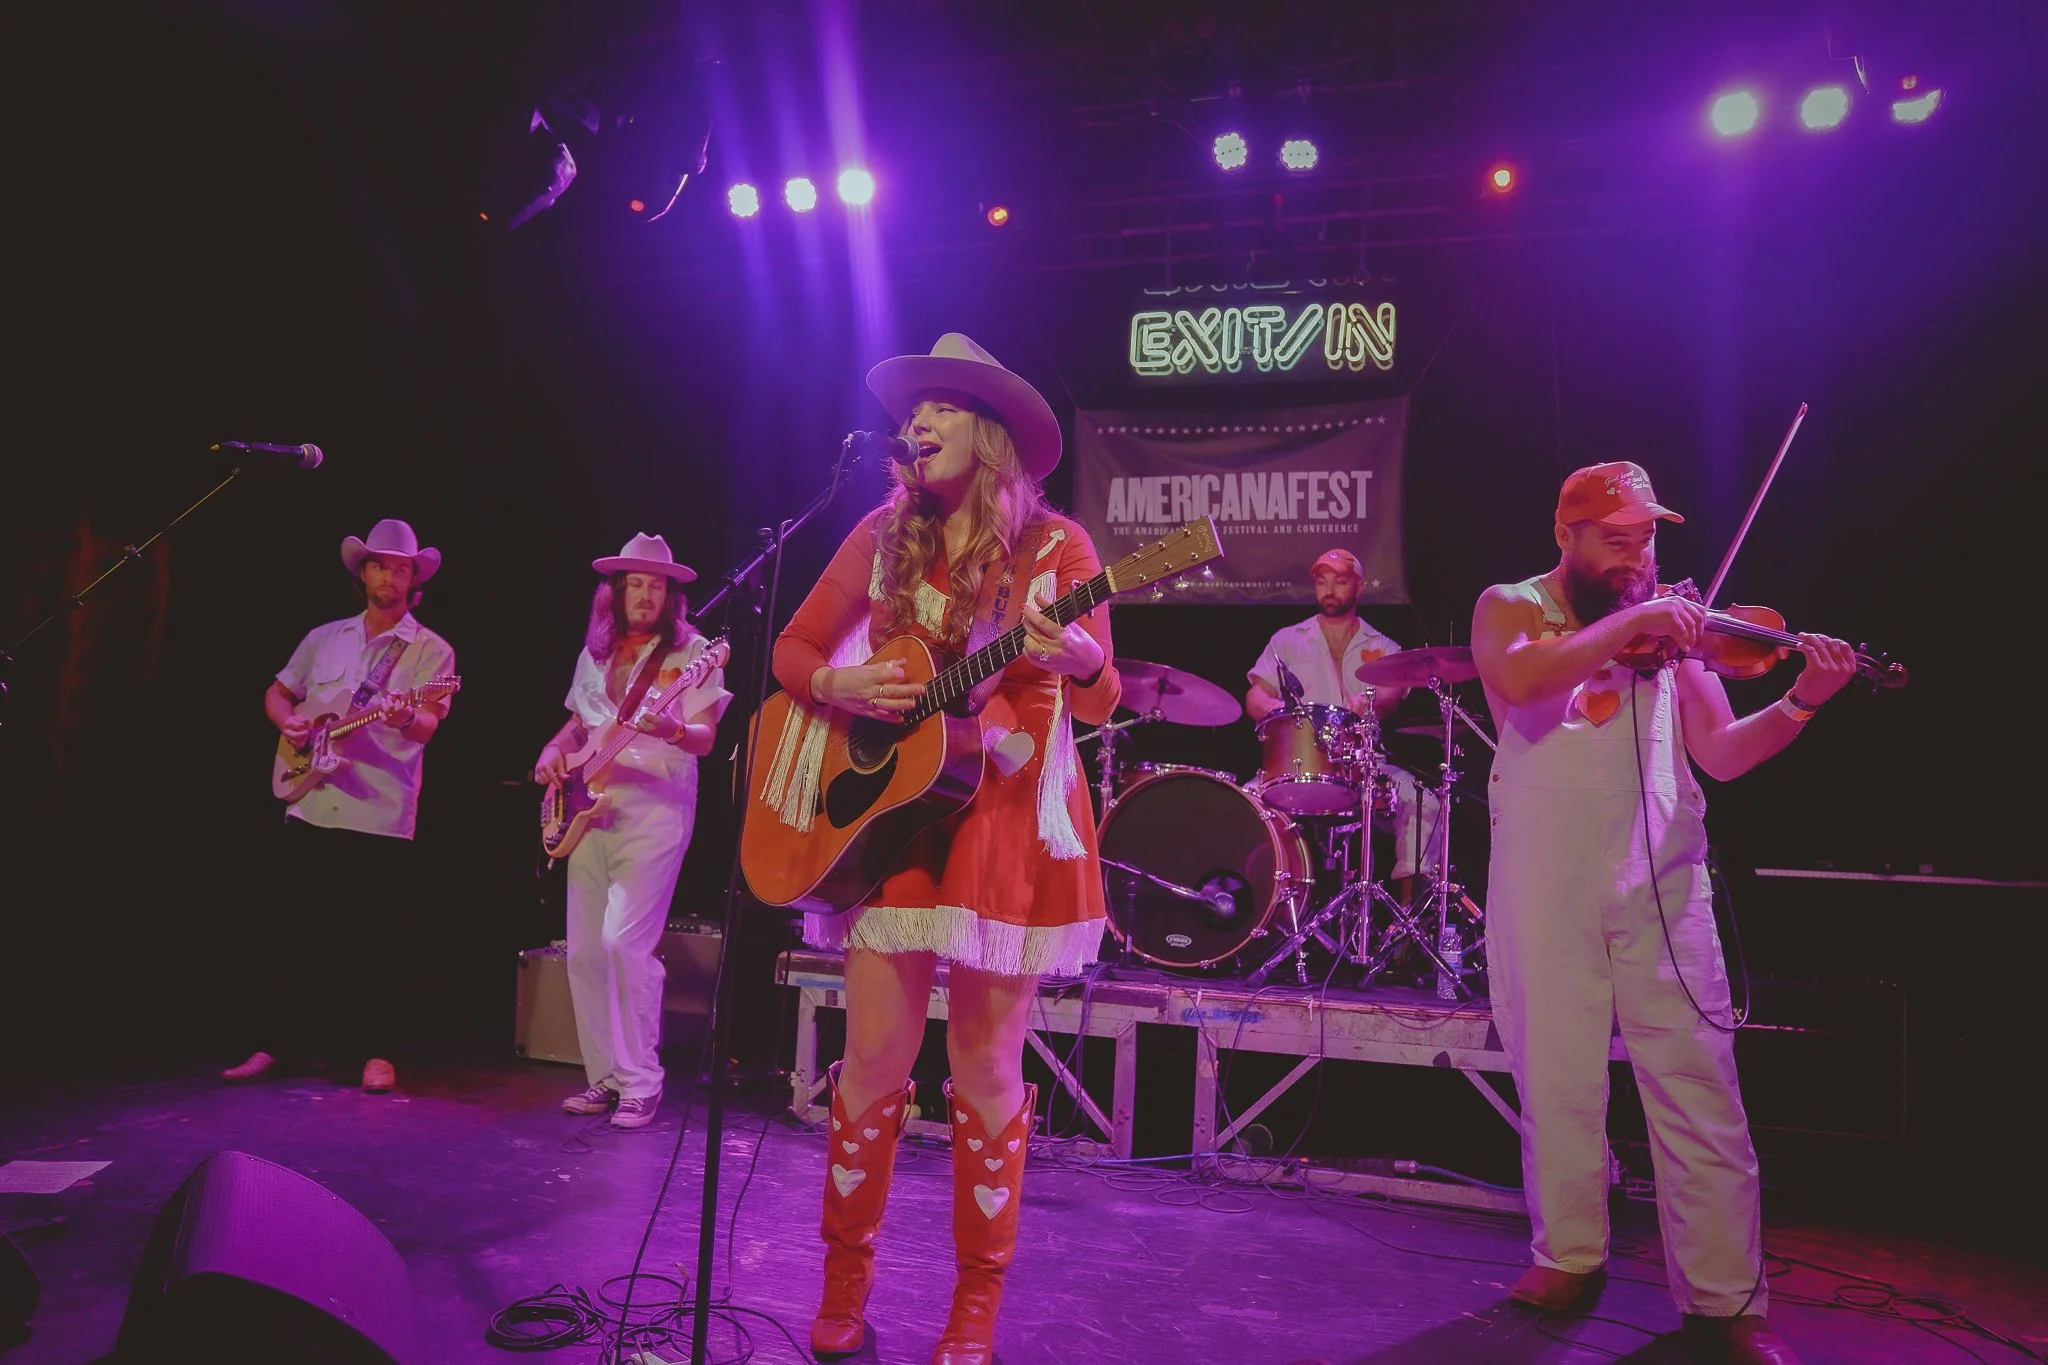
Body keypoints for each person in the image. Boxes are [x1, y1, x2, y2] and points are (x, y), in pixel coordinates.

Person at [767, 333, 1120, 1365]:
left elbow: (1100, 694)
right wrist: (836, 683)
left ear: (991, 433)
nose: (915, 422)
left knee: (984, 1067)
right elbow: (793, 647)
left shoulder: (1055, 549)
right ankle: (843, 1287)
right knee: (874, 1056)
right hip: (897, 817)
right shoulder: (882, 535)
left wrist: (1080, 654)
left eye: (941, 407)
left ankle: (974, 1311)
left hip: (1004, 813)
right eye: (912, 409)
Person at [1470, 462, 1860, 1365]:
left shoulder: (1675, 632)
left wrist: (1800, 700)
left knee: (1699, 1086)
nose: (1637, 555)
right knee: (1557, 1081)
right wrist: (1634, 622)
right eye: (1618, 539)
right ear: (1566, 534)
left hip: (1664, 884)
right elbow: (1522, 682)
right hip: (1545, 882)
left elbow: (1721, 753)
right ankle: (1567, 1256)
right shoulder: (1513, 605)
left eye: (1646, 538)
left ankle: (1728, 1300)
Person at [225, 518, 457, 1093]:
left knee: (375, 941)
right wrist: (289, 722)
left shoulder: (431, 651)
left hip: (380, 810)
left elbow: (428, 725)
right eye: (379, 565)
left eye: (399, 568)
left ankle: (375, 1052)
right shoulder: (325, 637)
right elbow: (278, 692)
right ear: (363, 573)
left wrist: (405, 715)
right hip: (312, 801)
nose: (388, 576)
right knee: (293, 932)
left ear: (413, 579)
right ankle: (275, 1044)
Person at [532, 534, 730, 1131]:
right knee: (585, 952)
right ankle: (606, 1078)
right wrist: (552, 750)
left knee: (623, 943)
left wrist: (671, 729)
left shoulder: (693, 652)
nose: (645, 595)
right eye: (635, 584)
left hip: (655, 811)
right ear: (615, 593)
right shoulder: (595, 654)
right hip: (588, 808)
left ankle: (641, 1081)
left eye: (656, 585)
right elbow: (578, 725)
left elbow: (705, 737)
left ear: (670, 595)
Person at [1245, 547, 1437, 882]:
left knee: (1424, 803)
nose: (1329, 589)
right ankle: (1269, 899)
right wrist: (1268, 706)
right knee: (1245, 802)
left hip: (1364, 767)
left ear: (1359, 587)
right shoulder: (1287, 640)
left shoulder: (1383, 646)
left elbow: (1392, 696)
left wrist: (1372, 702)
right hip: (1298, 766)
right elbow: (1255, 695)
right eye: (1322, 581)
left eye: (1340, 581)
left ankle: (1411, 904)